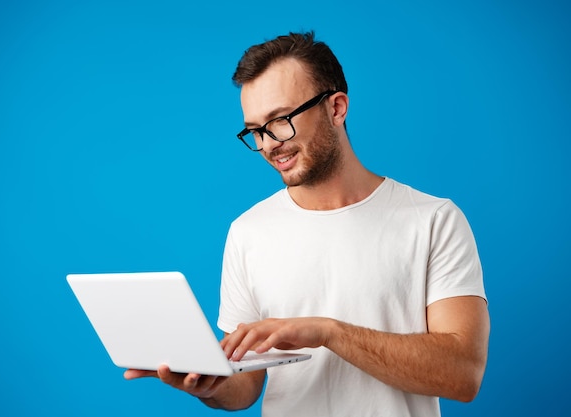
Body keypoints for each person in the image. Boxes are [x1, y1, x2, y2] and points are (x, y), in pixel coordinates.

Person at [125, 31, 490, 417]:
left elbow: (462, 375)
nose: (268, 144)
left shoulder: (433, 219)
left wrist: (327, 332)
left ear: (336, 108)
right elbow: (246, 387)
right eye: (255, 130)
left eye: (280, 121)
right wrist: (208, 384)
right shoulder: (249, 232)